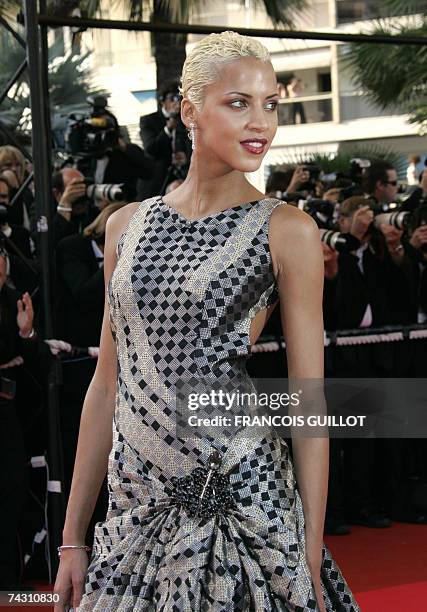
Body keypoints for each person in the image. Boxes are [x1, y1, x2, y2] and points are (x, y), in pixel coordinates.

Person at [54, 31, 359, 611]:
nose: (261, 123)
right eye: (239, 102)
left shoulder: (286, 229)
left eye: (271, 104)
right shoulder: (127, 226)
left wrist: (309, 548)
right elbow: (106, 384)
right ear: (190, 108)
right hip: (134, 504)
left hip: (243, 502)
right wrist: (73, 535)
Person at [139, 80, 192, 198]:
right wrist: (167, 129)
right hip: (158, 179)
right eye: (172, 98)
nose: (176, 102)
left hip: (183, 176)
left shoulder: (186, 120)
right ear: (163, 100)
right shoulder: (149, 120)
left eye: (179, 98)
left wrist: (186, 157)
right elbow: (150, 148)